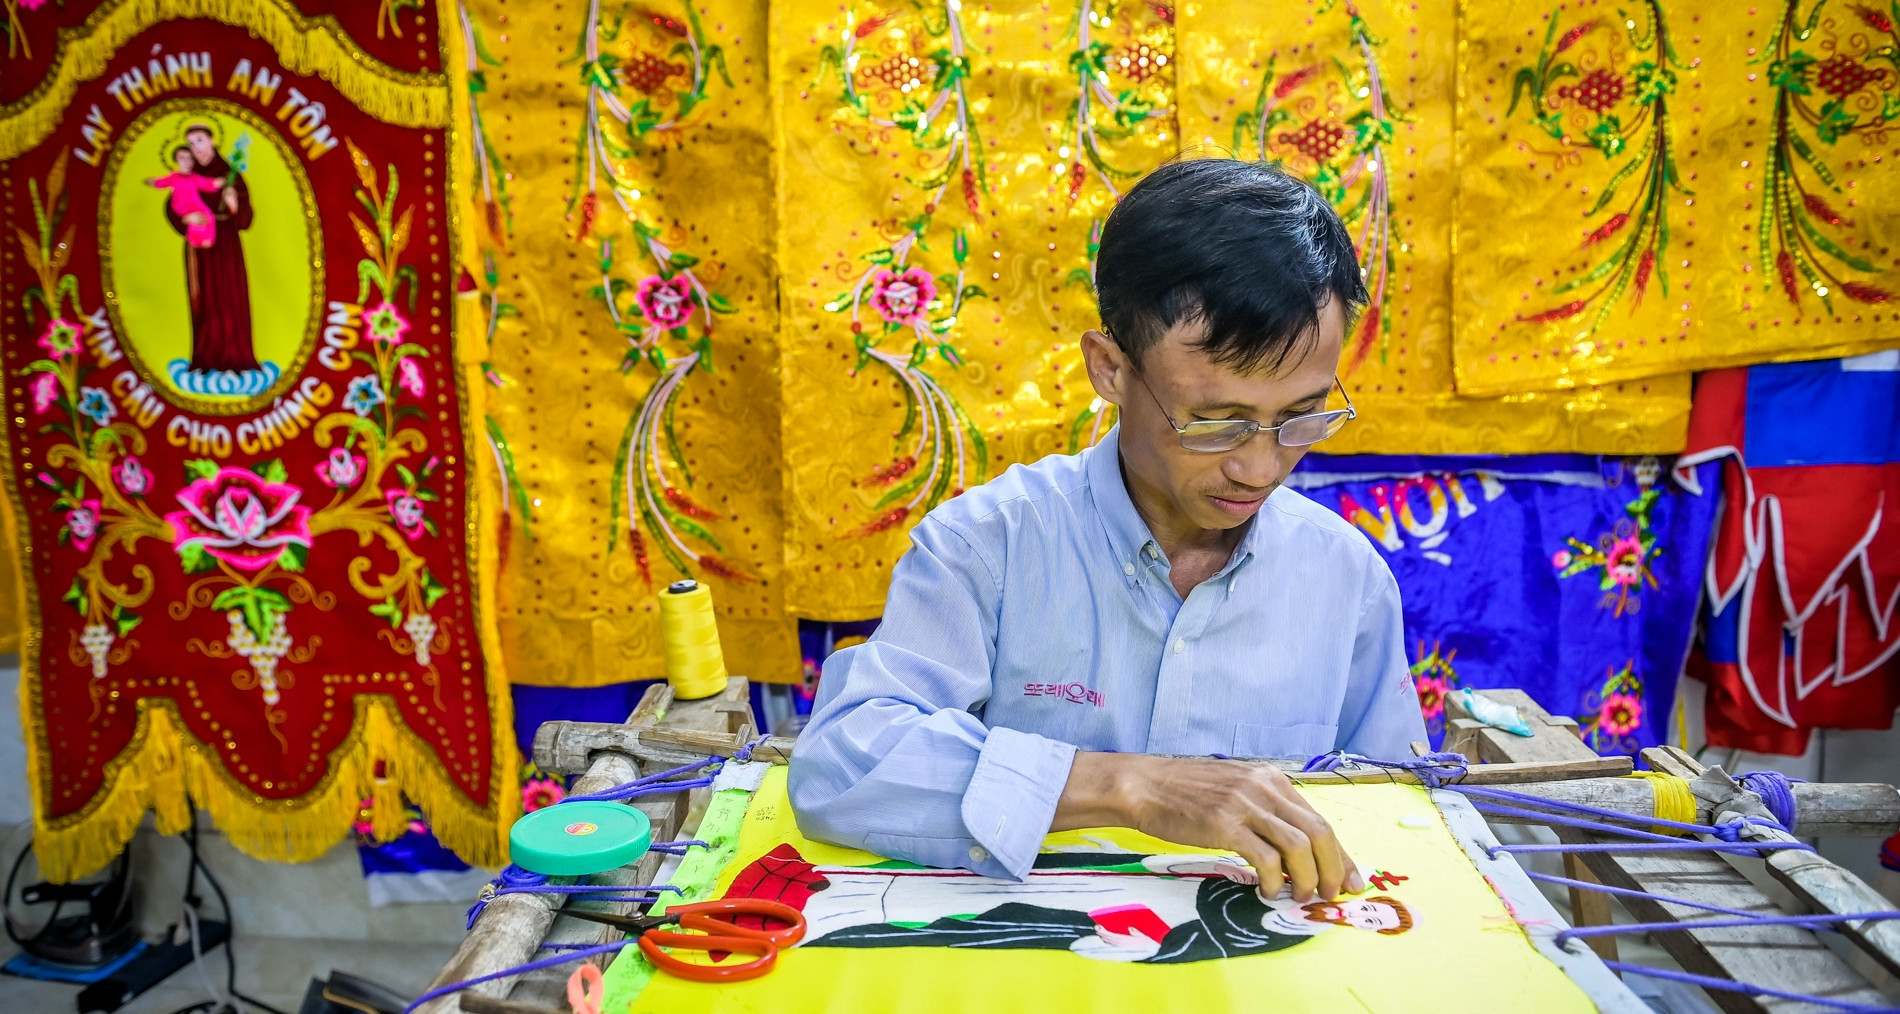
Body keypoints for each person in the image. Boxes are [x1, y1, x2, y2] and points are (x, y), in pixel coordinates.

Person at [788, 158, 1426, 905]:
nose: (1260, 466)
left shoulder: (1342, 577)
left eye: (1301, 417)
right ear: (1110, 368)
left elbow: (1399, 809)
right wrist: (1129, 784)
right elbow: (841, 764)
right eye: (1215, 421)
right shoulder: (987, 547)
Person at [162, 123, 258, 374]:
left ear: (213, 141)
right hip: (199, 245)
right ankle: (205, 358)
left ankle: (237, 359)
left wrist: (234, 204)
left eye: (200, 141)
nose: (197, 149)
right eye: (191, 144)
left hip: (225, 244)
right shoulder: (189, 176)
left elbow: (247, 219)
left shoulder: (231, 174)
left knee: (230, 297)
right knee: (203, 300)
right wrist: (185, 219)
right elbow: (172, 205)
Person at [151, 146, 225, 249]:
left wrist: (218, 182)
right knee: (194, 222)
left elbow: (207, 184)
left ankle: (206, 240)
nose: (187, 162)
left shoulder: (194, 177)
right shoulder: (175, 177)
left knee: (208, 217)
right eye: (182, 158)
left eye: (190, 158)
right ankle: (195, 239)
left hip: (196, 204)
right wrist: (153, 182)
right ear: (176, 160)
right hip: (181, 205)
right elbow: (162, 182)